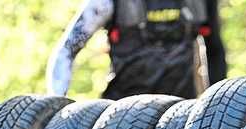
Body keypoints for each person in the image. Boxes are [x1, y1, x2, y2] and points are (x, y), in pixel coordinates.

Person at [47, 0, 226, 100]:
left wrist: (213, 110)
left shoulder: (201, 3)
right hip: (122, 116)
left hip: (181, 117)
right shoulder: (106, 3)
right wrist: (58, 103)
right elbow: (66, 50)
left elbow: (215, 51)